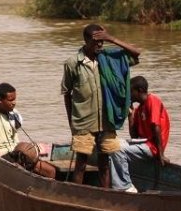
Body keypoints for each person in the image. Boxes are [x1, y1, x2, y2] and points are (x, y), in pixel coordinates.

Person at [61, 23, 142, 187]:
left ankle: (104, 196)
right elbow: (67, 94)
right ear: (85, 41)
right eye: (95, 41)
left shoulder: (110, 59)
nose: (99, 45)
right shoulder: (72, 64)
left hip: (107, 120)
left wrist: (111, 38)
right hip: (84, 122)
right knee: (81, 163)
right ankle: (78, 196)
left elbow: (136, 53)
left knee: (105, 162)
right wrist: (72, 123)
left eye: (101, 41)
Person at [109, 76, 170, 192]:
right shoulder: (139, 109)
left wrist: (161, 154)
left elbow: (156, 127)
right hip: (144, 144)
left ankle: (125, 186)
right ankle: (120, 183)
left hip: (152, 147)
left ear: (140, 90)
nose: (129, 95)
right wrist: (130, 115)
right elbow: (134, 136)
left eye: (131, 91)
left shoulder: (152, 100)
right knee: (113, 143)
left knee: (117, 148)